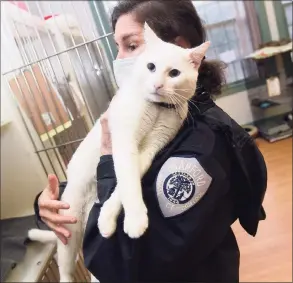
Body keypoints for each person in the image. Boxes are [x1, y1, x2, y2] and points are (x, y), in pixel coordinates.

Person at [34, 1, 267, 282]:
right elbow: (104, 175)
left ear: (180, 48)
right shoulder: (145, 104)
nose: (118, 58)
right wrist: (55, 201)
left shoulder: (201, 149)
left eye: (131, 46)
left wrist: (109, 161)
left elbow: (123, 265)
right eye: (117, 46)